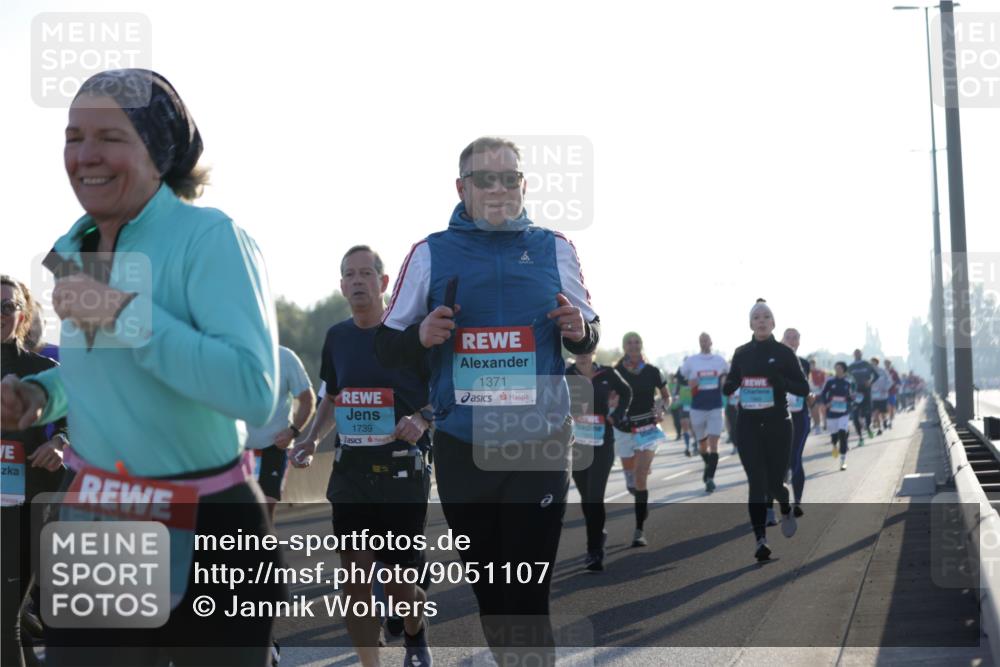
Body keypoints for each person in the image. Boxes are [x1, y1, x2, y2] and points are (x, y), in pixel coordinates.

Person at [0, 69, 283, 666]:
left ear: (159, 149)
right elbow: (104, 373)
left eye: (110, 136)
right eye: (73, 136)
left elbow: (255, 392)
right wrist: (41, 396)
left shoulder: (212, 238)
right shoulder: (76, 246)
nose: (86, 155)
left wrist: (124, 313)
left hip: (211, 527)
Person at [374, 137, 599, 666]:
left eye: (509, 178)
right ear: (461, 188)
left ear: (524, 185)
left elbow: (587, 332)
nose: (498, 189)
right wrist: (422, 335)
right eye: (484, 178)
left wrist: (579, 330)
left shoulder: (555, 247)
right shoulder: (429, 253)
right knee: (493, 595)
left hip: (539, 446)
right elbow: (387, 345)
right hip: (462, 448)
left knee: (527, 593)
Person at [292, 245, 433, 667]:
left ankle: (414, 630)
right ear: (341, 286)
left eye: (365, 273)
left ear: (384, 283)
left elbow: (445, 394)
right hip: (352, 472)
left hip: (402, 471)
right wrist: (312, 438)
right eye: (349, 275)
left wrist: (422, 419)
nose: (357, 281)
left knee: (396, 585)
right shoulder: (337, 337)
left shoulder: (413, 333)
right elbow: (332, 399)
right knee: (355, 581)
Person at [1, 276, 68, 667]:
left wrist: (60, 442)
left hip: (25, 502)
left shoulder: (42, 368)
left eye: (7, 306)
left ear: (22, 315)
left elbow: (78, 416)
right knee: (7, 616)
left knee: (3, 615)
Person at [722, 299, 809, 562]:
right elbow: (731, 382)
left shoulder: (784, 353)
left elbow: (803, 389)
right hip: (748, 424)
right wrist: (728, 384)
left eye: (766, 317)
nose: (761, 320)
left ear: (773, 323)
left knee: (774, 483)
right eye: (756, 317)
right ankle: (760, 540)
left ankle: (784, 504)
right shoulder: (741, 353)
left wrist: (779, 380)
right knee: (756, 483)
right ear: (750, 324)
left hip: (778, 424)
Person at [566, 352, 632, 571]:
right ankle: (598, 533)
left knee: (594, 496)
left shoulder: (607, 373)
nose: (583, 356)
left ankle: (594, 551)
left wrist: (618, 413)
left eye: (587, 351)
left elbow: (626, 391)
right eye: (579, 352)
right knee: (586, 498)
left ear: (593, 351)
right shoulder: (566, 374)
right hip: (576, 445)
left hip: (602, 443)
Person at [244, 344, 315, 521]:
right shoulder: (228, 353)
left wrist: (293, 431)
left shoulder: (285, 357)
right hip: (235, 450)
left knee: (264, 513)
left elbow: (308, 399)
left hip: (273, 448)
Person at [614, 332, 671, 547]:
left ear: (642, 345)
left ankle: (639, 531)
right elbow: (608, 397)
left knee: (640, 476)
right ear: (624, 346)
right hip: (625, 428)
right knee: (632, 480)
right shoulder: (616, 372)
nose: (633, 345)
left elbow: (666, 396)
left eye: (637, 342)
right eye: (629, 342)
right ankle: (639, 495)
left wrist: (661, 409)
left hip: (648, 426)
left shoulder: (652, 371)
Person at [679, 333, 728, 493]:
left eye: (706, 339)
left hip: (715, 406)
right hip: (697, 408)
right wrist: (689, 382)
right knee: (702, 445)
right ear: (699, 343)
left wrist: (724, 380)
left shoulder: (719, 360)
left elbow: (731, 374)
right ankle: (708, 464)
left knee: (714, 443)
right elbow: (680, 377)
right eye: (701, 340)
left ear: (711, 342)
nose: (704, 342)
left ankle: (710, 478)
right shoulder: (692, 361)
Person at [780, 328, 811, 515]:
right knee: (780, 462)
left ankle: (797, 502)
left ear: (799, 342)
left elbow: (802, 387)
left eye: (795, 338)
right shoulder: (773, 362)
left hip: (799, 418)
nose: (792, 341)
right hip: (778, 418)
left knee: (794, 458)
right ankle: (781, 501)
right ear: (782, 340)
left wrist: (809, 395)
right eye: (788, 337)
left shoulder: (804, 364)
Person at [822, 362, 854, 470]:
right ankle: (834, 445)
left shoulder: (848, 382)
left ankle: (842, 461)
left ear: (844, 370)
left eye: (839, 368)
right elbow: (823, 394)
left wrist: (850, 398)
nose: (837, 370)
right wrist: (827, 403)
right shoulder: (830, 381)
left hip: (844, 413)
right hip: (832, 413)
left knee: (842, 434)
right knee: (834, 437)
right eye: (836, 368)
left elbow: (851, 397)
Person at [847, 350, 878, 439]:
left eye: (859, 353)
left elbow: (876, 375)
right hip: (856, 393)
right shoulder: (851, 366)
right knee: (855, 415)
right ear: (853, 355)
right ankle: (860, 436)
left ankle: (868, 427)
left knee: (868, 412)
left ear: (861, 354)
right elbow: (846, 378)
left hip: (866, 391)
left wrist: (870, 382)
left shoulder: (866, 364)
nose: (857, 355)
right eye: (855, 353)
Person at [869, 358, 891, 435]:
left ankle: (885, 421)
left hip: (883, 395)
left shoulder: (883, 371)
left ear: (877, 363)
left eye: (873, 363)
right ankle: (879, 429)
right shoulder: (869, 373)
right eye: (871, 363)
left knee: (883, 413)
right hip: (874, 396)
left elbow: (889, 381)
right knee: (875, 413)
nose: (872, 364)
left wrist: (886, 388)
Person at [808, 359, 827, 434]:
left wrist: (822, 388)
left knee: (822, 409)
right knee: (814, 410)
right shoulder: (807, 372)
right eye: (811, 364)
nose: (812, 366)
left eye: (813, 364)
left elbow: (824, 382)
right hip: (812, 394)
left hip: (821, 393)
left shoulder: (820, 372)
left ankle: (825, 423)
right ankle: (817, 426)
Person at [885, 360, 901, 428]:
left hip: (892, 391)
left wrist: (896, 385)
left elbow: (899, 381)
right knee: (887, 406)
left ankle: (890, 420)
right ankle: (888, 420)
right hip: (885, 392)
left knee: (892, 406)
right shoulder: (883, 372)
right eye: (885, 364)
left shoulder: (894, 372)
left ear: (890, 364)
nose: (887, 365)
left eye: (888, 363)